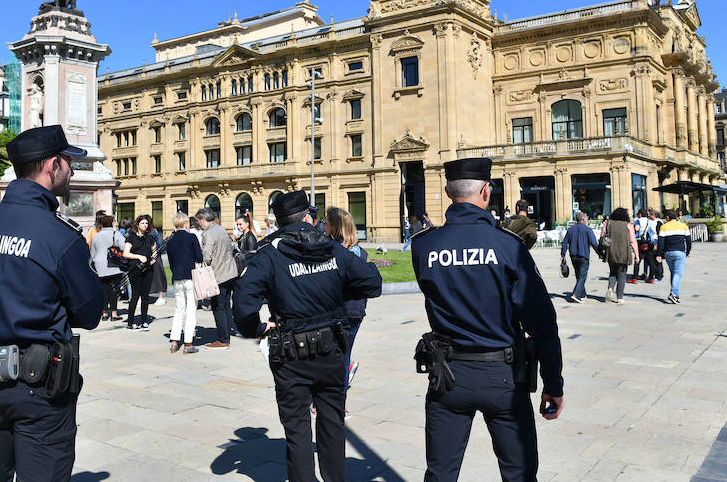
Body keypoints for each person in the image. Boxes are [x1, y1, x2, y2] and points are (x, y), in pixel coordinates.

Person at [0, 124, 103, 481]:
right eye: (68, 161)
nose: (71, 170)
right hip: (40, 386)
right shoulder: (57, 236)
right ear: (52, 165)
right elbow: (90, 312)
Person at [411, 158, 563, 481]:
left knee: (439, 474)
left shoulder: (424, 246)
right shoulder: (508, 247)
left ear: (449, 192)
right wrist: (553, 383)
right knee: (519, 474)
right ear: (485, 191)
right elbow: (542, 321)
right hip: (503, 377)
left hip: (448, 377)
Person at [232, 191, 382, 482]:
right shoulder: (331, 248)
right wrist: (338, 288)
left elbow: (242, 304)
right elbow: (372, 282)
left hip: (291, 354)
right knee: (332, 425)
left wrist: (257, 328)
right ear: (308, 218)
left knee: (298, 429)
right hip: (330, 350)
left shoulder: (270, 254)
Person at [324, 206, 369, 410]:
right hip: (355, 311)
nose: (324, 225)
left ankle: (334, 403)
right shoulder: (360, 252)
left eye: (327, 222)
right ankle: (338, 401)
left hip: (340, 312)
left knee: (333, 358)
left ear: (335, 227)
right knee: (343, 354)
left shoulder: (335, 253)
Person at [196, 207, 238, 349]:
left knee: (218, 306)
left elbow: (207, 257)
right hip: (230, 272)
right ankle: (226, 333)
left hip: (218, 274)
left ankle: (223, 339)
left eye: (198, 221)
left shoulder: (208, 234)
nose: (198, 224)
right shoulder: (221, 229)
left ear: (203, 219)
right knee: (226, 305)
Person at [167, 212, 203, 354]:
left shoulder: (170, 240)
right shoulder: (191, 237)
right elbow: (199, 257)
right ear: (186, 223)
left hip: (177, 276)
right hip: (190, 276)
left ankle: (174, 341)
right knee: (191, 310)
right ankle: (188, 343)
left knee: (178, 309)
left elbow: (170, 261)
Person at [122, 215, 157, 330]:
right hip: (135, 269)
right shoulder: (131, 237)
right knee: (135, 296)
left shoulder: (150, 237)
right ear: (137, 224)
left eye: (146, 223)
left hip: (148, 269)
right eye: (142, 223)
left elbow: (154, 250)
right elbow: (125, 253)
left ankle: (144, 321)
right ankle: (130, 322)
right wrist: (139, 257)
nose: (145, 225)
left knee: (145, 296)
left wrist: (153, 259)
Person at [89, 214, 125, 322]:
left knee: (104, 290)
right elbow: (123, 247)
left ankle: (104, 313)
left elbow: (93, 252)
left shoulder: (97, 236)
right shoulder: (116, 234)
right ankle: (114, 313)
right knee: (114, 290)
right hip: (114, 264)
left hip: (100, 265)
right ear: (111, 223)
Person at [560, 211, 601, 303]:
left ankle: (582, 293)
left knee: (579, 275)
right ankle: (576, 294)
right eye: (586, 219)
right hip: (583, 255)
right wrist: (600, 254)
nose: (587, 220)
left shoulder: (570, 229)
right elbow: (594, 243)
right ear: (583, 220)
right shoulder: (588, 230)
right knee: (582, 276)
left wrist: (563, 255)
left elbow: (565, 243)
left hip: (573, 255)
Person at [604, 208, 639, 304]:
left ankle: (610, 289)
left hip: (611, 252)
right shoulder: (628, 225)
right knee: (622, 275)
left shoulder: (609, 223)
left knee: (612, 272)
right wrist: (637, 255)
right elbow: (633, 241)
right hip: (624, 253)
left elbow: (603, 235)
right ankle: (619, 297)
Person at [657, 209, 691, 304]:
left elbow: (661, 242)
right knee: (678, 273)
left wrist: (659, 254)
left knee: (673, 273)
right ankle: (673, 293)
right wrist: (688, 252)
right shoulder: (683, 226)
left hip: (668, 253)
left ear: (667, 217)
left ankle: (676, 295)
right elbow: (688, 240)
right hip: (680, 252)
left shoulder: (664, 227)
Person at [148, 216, 168, 305]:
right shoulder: (154, 231)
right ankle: (159, 297)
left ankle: (160, 297)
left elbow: (161, 246)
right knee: (157, 276)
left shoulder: (153, 232)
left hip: (153, 256)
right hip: (153, 256)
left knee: (157, 276)